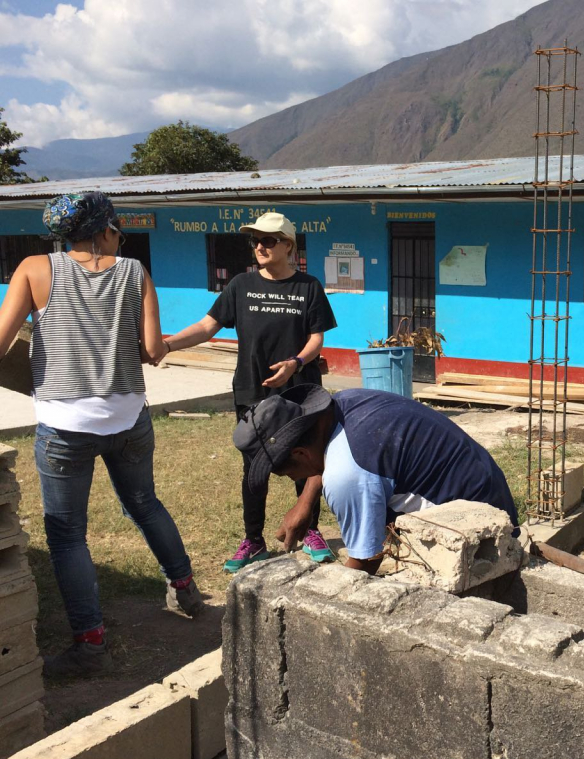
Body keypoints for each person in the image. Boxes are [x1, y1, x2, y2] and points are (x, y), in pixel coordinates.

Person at [0, 192, 201, 678]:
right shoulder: (135, 272)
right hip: (130, 417)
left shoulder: (32, 268)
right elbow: (153, 350)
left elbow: (2, 341)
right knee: (145, 503)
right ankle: (186, 591)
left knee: (68, 534)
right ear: (107, 229)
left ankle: (90, 645)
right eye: (117, 230)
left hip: (65, 426)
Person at [159, 212, 337, 572]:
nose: (260, 246)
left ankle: (310, 530)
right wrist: (169, 345)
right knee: (254, 470)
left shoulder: (309, 287)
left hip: (299, 393)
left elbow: (316, 338)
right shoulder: (240, 285)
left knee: (305, 464)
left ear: (288, 245)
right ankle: (253, 540)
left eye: (269, 240)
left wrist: (296, 363)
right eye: (255, 240)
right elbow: (208, 326)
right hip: (252, 395)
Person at [232, 385, 519, 574]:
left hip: (482, 532)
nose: (290, 478)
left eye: (286, 473)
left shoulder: (347, 474)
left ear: (299, 452)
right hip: (485, 480)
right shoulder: (344, 404)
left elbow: (367, 560)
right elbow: (327, 455)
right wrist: (305, 502)